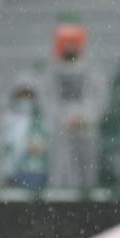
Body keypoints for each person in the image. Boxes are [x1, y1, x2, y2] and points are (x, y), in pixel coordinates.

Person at [44, 23, 106, 190]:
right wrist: (64, 119)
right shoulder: (53, 71)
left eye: (73, 42)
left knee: (87, 167)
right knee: (61, 165)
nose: (70, 47)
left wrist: (85, 117)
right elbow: (49, 100)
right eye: (67, 43)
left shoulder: (91, 68)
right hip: (62, 126)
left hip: (85, 125)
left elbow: (98, 96)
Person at [0, 75, 49, 191]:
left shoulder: (40, 121)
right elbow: (7, 150)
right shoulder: (8, 121)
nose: (25, 100)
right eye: (22, 95)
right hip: (13, 175)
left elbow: (42, 146)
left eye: (28, 95)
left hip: (34, 174)